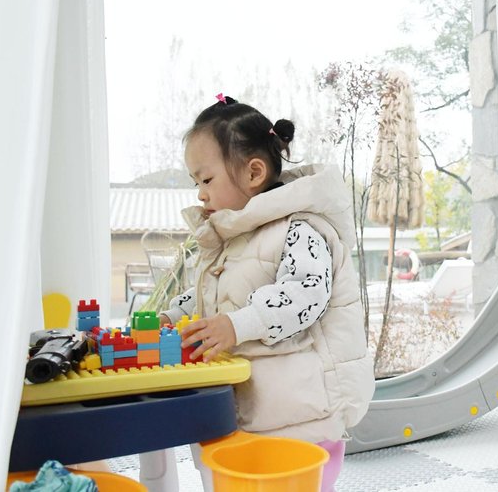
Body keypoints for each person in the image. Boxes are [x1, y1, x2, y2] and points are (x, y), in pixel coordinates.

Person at [158, 95, 375, 491]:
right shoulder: (234, 240)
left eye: (206, 180)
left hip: (301, 421)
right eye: (195, 183)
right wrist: (174, 317)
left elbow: (303, 294)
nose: (200, 194)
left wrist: (237, 325)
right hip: (257, 417)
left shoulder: (300, 228)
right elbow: (214, 293)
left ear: (253, 172)